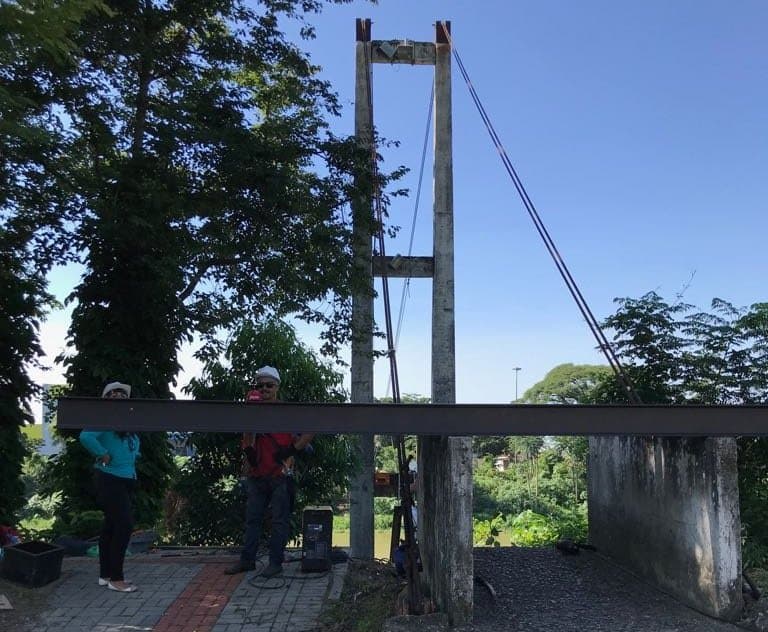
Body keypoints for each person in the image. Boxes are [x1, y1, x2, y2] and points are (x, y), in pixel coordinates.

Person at [225, 366, 314, 578]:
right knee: (252, 520)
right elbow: (246, 436)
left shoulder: (286, 412)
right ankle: (247, 561)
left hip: (279, 475)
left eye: (269, 385)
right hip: (257, 474)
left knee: (279, 521)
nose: (264, 389)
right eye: (260, 385)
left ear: (277, 387)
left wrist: (291, 450)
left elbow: (312, 428)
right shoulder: (252, 409)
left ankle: (275, 563)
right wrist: (248, 452)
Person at [79, 382, 139, 593]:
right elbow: (85, 436)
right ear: (105, 398)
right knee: (124, 525)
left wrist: (132, 456)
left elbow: (131, 445)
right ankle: (117, 578)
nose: (118, 396)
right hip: (109, 477)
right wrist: (102, 453)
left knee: (111, 527)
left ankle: (105, 575)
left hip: (125, 477)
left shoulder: (125, 422)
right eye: (112, 393)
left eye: (122, 394)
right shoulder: (104, 418)